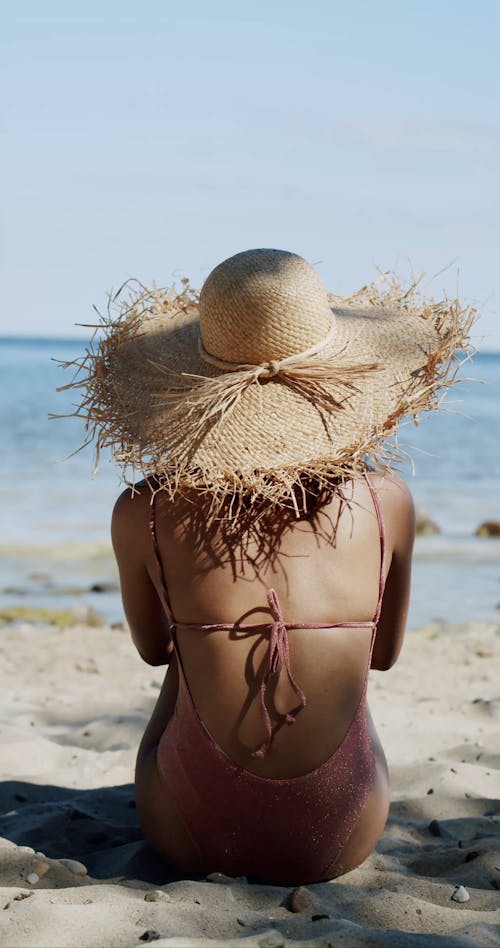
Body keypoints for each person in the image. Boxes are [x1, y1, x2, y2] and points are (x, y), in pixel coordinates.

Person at [64, 248, 473, 884]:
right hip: (344, 831)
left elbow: (152, 650)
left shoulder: (145, 509)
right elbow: (384, 656)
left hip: (187, 832)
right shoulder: (386, 498)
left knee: (184, 658)